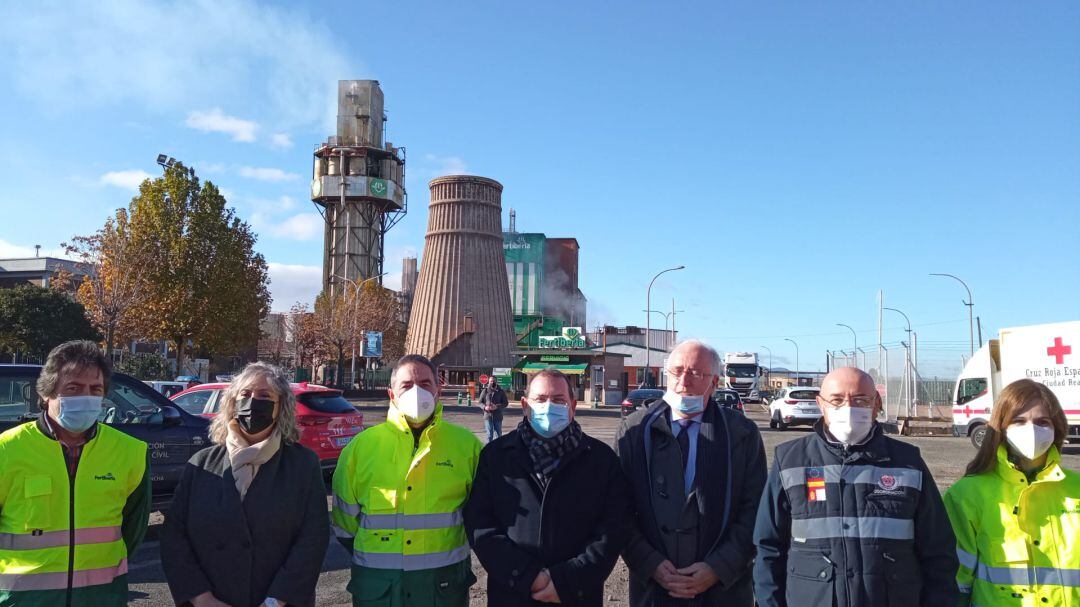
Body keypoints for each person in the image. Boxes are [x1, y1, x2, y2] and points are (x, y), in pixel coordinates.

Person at [753, 367, 958, 607]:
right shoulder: (789, 460)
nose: (848, 408)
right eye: (837, 400)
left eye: (860, 399)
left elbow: (938, 551)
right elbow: (768, 549)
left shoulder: (909, 463)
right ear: (821, 404)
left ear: (875, 404)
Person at [161, 361, 329, 607]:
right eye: (245, 394)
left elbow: (313, 538)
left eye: (264, 395)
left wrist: (277, 600)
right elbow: (174, 536)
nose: (253, 402)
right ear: (232, 402)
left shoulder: (303, 465)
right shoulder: (201, 464)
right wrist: (201, 597)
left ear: (280, 406)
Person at [616, 339, 767, 606]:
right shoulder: (635, 431)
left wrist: (718, 567)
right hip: (654, 591)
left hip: (723, 592)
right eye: (676, 371)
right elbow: (618, 510)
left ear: (715, 383)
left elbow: (755, 511)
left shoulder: (741, 434)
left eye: (696, 373)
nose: (683, 382)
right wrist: (650, 563)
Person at [465, 368, 634, 605]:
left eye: (558, 400)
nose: (548, 406)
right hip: (512, 594)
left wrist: (566, 581)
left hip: (577, 595)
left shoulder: (601, 459)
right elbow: (480, 523)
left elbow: (612, 529)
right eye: (540, 399)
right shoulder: (496, 456)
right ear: (525, 405)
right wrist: (526, 576)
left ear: (572, 406)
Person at [0, 340, 150, 606]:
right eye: (73, 388)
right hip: (22, 600)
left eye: (96, 389)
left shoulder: (130, 452)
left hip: (102, 598)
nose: (86, 397)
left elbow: (133, 529)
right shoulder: (7, 450)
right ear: (47, 394)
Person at [332, 354, 482, 607]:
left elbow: (481, 516)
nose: (417, 392)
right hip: (380, 588)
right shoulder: (361, 448)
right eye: (407, 385)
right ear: (392, 394)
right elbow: (344, 525)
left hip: (443, 587)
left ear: (438, 390)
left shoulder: (467, 446)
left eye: (425, 384)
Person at [943, 379, 1080, 606]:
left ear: (1057, 428)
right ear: (1001, 428)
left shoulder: (1076, 488)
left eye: (1042, 421)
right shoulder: (966, 495)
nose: (1032, 430)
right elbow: (956, 581)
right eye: (1019, 421)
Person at [479, 376, 509, 442]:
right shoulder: (485, 391)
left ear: (496, 382)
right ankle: (488, 451)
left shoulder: (501, 391)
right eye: (490, 381)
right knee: (489, 435)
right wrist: (485, 407)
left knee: (498, 435)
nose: (492, 382)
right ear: (489, 382)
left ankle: (498, 451)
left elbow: (505, 403)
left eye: (493, 381)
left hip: (498, 416)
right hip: (488, 416)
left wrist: (497, 406)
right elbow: (480, 402)